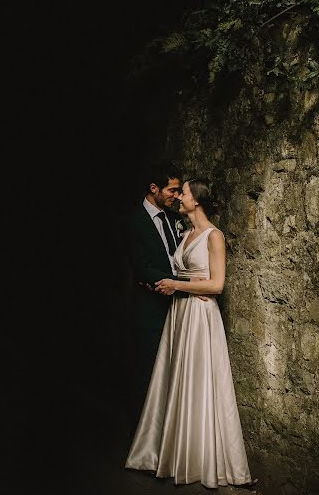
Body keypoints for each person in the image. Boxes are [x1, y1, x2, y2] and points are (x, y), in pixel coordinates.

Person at [125, 178, 257, 489]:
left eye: (182, 192)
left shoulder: (214, 236)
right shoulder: (185, 234)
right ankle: (171, 453)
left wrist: (178, 285)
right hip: (180, 314)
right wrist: (164, 282)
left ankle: (197, 457)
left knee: (199, 381)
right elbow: (178, 271)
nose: (178, 197)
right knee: (176, 380)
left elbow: (216, 285)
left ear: (195, 200)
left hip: (199, 315)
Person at [125, 160, 188, 436]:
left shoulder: (175, 220)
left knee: (174, 370)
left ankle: (169, 434)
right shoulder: (134, 221)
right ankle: (143, 436)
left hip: (178, 305)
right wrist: (169, 282)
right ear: (154, 188)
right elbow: (141, 265)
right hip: (149, 307)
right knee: (147, 370)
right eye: (172, 190)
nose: (176, 196)